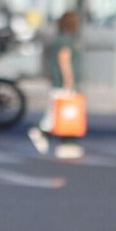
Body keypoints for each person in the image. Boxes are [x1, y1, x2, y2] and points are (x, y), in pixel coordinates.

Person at [29, 11, 85, 160]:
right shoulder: (66, 41)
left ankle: (59, 140)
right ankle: (42, 132)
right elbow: (64, 60)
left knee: (56, 113)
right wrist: (69, 82)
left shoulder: (58, 40)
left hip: (56, 82)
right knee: (62, 114)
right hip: (63, 84)